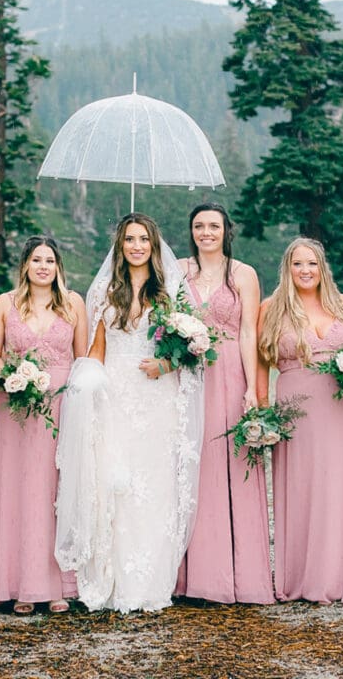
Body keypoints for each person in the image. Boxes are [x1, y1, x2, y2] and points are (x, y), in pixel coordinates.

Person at [55, 213, 203, 614]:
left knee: (153, 486)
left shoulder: (171, 290)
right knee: (116, 485)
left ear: (154, 246)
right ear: (119, 246)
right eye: (129, 240)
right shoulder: (105, 289)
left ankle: (150, 583)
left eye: (143, 239)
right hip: (117, 393)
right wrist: (91, 387)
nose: (136, 246)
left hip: (157, 396)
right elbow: (97, 348)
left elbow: (191, 347)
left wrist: (164, 365)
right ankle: (116, 579)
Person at [256, 238, 343, 605]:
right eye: (298, 264)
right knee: (307, 492)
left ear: (323, 268)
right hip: (297, 409)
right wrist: (260, 410)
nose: (306, 271)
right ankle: (311, 574)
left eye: (313, 264)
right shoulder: (270, 309)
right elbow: (260, 364)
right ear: (287, 268)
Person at [0, 235, 88, 615]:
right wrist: (14, 375)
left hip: (61, 406)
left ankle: (57, 584)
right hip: (16, 407)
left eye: (50, 260)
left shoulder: (73, 303)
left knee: (55, 491)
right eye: (36, 260)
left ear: (58, 266)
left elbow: (83, 357)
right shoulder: (4, 303)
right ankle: (20, 585)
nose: (43, 266)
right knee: (20, 491)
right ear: (25, 265)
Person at [175, 203, 273, 604]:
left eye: (213, 225)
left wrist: (253, 387)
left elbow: (249, 331)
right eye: (199, 225)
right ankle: (195, 576)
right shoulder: (179, 270)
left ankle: (241, 574)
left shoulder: (243, 274)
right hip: (190, 373)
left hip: (230, 370)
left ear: (226, 230)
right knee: (195, 465)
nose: (206, 232)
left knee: (235, 463)